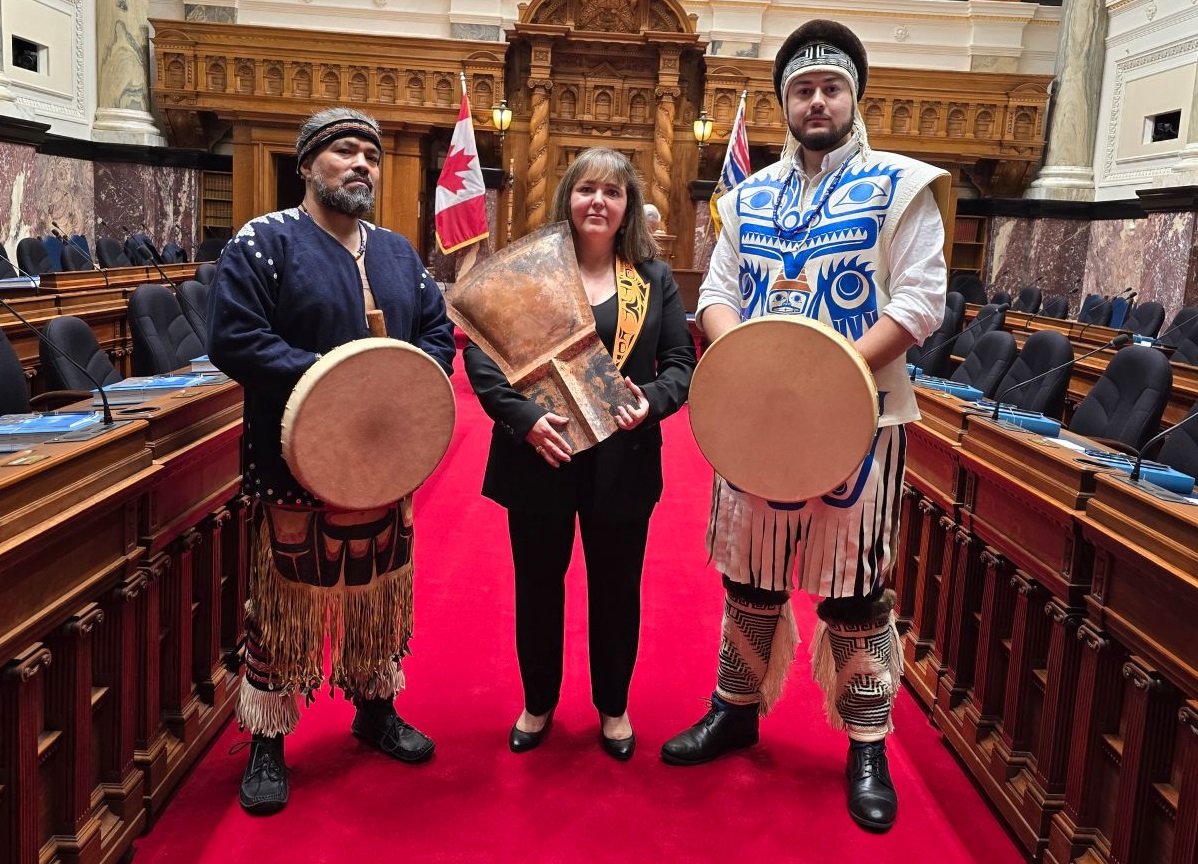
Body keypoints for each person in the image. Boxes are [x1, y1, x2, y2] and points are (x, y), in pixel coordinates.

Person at [659, 20, 947, 833]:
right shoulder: (745, 197)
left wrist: (834, 379)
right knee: (748, 574)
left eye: (830, 87)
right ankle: (735, 708)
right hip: (756, 420)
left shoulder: (902, 185)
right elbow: (714, 293)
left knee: (857, 591)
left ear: (855, 96)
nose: (815, 101)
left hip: (860, 421)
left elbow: (921, 301)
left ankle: (867, 741)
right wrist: (747, 362)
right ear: (785, 103)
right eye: (801, 90)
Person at [207, 107, 456, 815]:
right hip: (295, 460)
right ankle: (267, 740)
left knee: (377, 588)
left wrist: (403, 380)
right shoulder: (265, 242)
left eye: (370, 156)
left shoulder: (399, 254)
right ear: (307, 164)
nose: (361, 166)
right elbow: (235, 338)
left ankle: (375, 711)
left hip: (383, 462)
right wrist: (332, 378)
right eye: (344, 152)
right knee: (286, 599)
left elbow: (436, 332)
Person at [464, 147, 695, 760]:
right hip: (541, 452)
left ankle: (613, 707)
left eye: (613, 192)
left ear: (629, 209)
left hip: (622, 458)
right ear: (567, 197)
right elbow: (482, 355)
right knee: (538, 586)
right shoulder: (534, 268)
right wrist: (524, 418)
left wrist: (652, 401)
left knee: (617, 590)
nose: (599, 201)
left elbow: (679, 365)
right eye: (586, 189)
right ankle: (538, 702)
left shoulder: (655, 280)